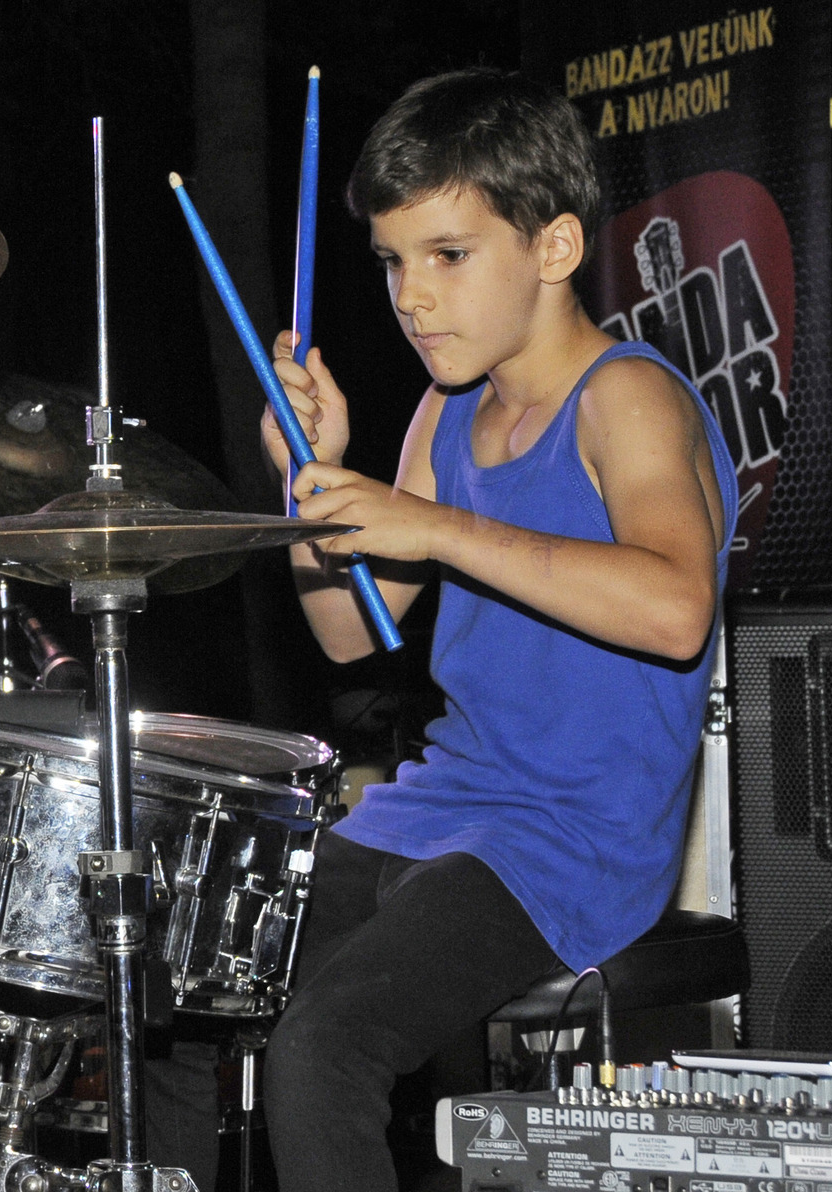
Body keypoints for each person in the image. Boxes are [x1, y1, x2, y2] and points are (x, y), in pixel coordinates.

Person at [257, 67, 739, 1192]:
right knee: (189, 994)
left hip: (573, 838)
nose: (412, 297)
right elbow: (346, 631)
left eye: (448, 255)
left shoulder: (626, 396)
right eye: (393, 262)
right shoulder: (448, 409)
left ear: (555, 246)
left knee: (324, 1047)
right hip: (445, 806)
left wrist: (434, 525)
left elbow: (675, 610)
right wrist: (308, 487)